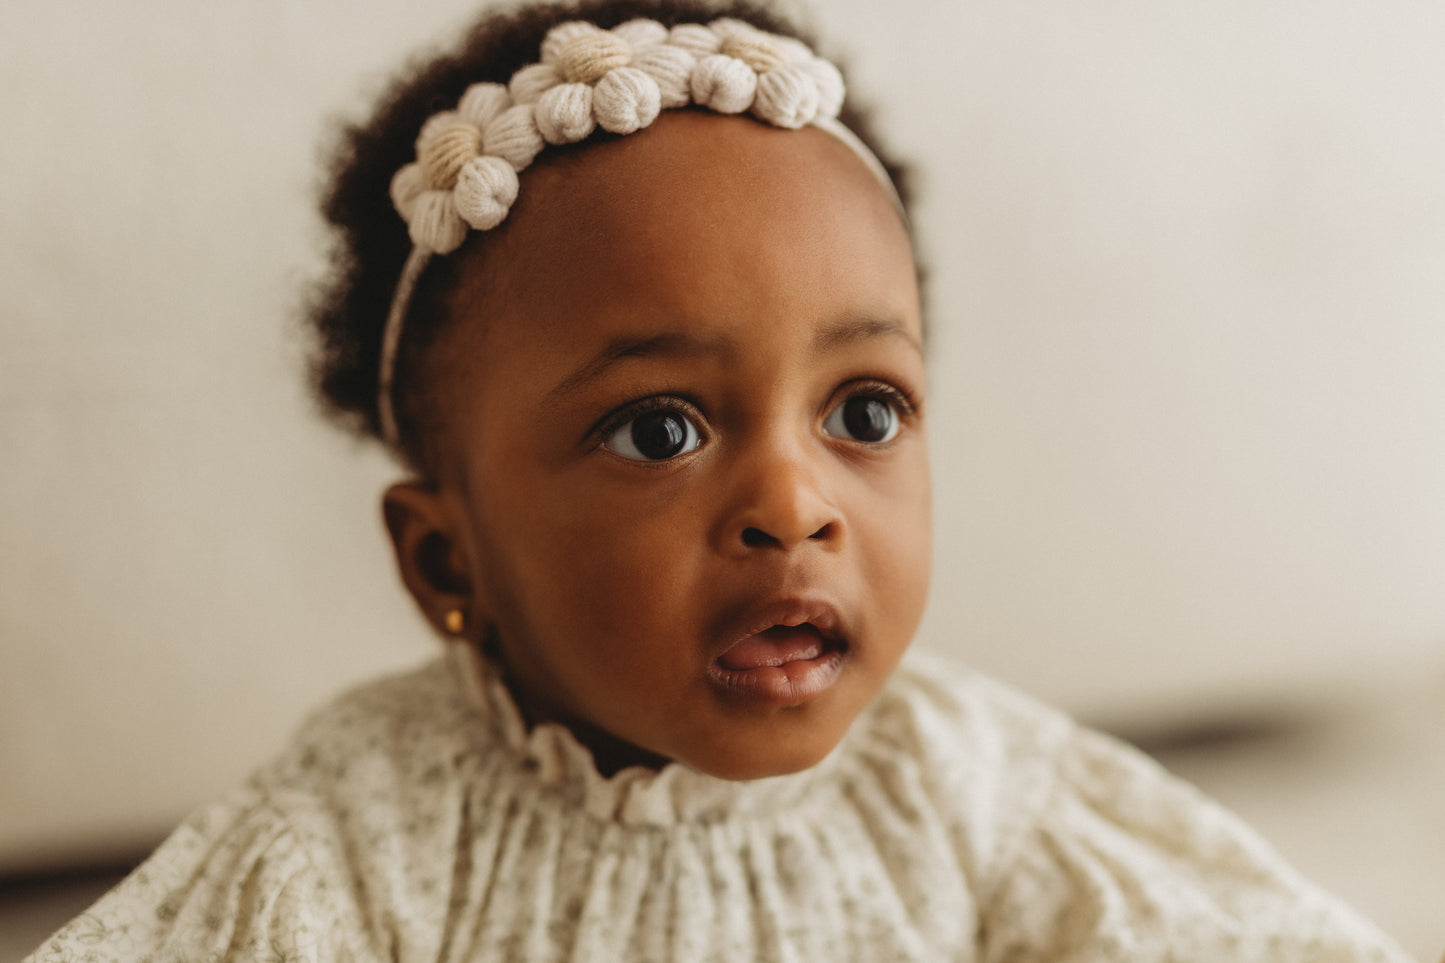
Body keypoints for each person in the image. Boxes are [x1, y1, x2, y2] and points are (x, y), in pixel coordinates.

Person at [27, 0, 1416, 960]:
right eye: (657, 431)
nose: (793, 503)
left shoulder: (967, 788)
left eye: (863, 409)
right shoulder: (364, 835)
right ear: (446, 564)